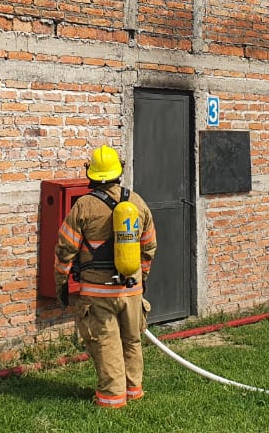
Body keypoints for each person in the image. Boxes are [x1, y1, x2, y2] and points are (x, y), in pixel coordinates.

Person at [54, 145, 157, 408]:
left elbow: (65, 249)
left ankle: (112, 399)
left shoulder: (84, 206)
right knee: (132, 340)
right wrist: (142, 278)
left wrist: (61, 283)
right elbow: (149, 246)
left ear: (91, 173)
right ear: (118, 172)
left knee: (106, 344)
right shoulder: (137, 202)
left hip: (98, 293)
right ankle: (133, 391)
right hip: (132, 289)